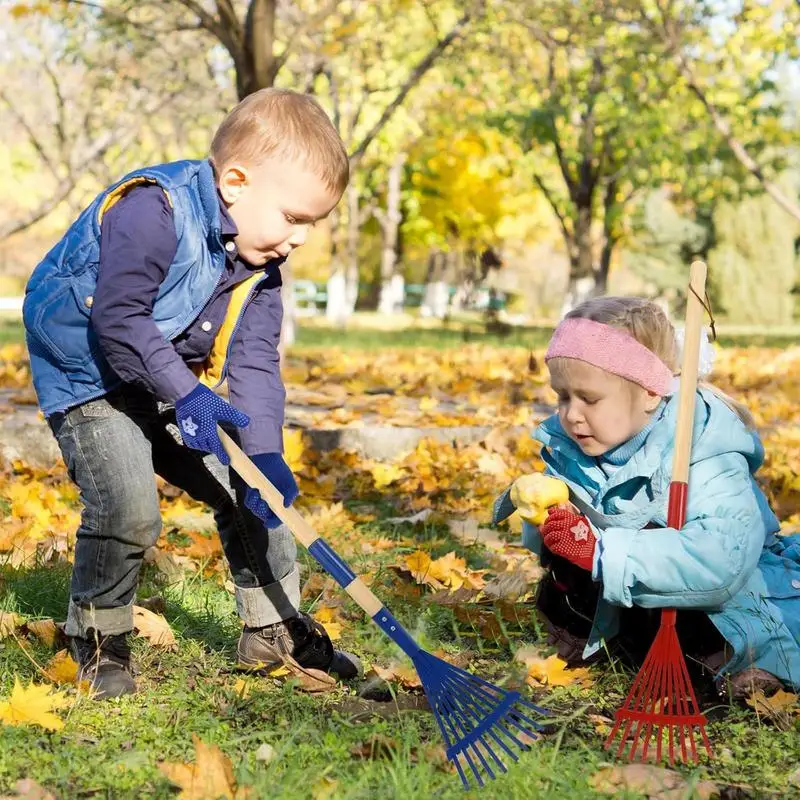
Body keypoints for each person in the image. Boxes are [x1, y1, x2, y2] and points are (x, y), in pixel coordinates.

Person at [23, 88, 361, 698]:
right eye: (294, 218)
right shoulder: (153, 211)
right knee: (129, 506)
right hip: (90, 375)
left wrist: (263, 456)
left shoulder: (261, 266)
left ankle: (272, 632)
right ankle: (99, 642)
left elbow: (256, 366)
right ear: (236, 181)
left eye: (312, 224)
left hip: (169, 381)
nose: (302, 239)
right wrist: (187, 395)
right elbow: (120, 321)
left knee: (255, 493)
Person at [493, 297, 800, 698]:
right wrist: (552, 527)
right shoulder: (572, 444)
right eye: (563, 397)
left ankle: (752, 664)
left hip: (720, 592)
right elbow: (561, 544)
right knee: (563, 577)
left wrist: (600, 552)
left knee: (711, 626)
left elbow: (720, 559)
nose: (570, 414)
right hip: (629, 588)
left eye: (589, 398)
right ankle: (605, 639)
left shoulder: (704, 450)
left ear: (651, 393)